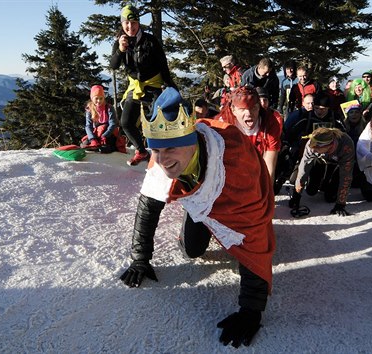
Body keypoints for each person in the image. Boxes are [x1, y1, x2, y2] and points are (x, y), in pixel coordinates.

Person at [119, 87, 275, 348]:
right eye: (155, 150)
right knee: (192, 250)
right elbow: (148, 205)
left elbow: (254, 230)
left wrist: (251, 309)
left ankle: (210, 216)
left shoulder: (235, 161)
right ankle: (201, 213)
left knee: (244, 249)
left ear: (190, 142)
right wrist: (140, 258)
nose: (162, 159)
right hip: (202, 195)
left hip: (244, 190)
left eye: (170, 148)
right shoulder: (160, 159)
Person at [109, 5, 176, 166]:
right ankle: (141, 151)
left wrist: (170, 86)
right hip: (135, 87)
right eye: (126, 23)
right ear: (122, 24)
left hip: (154, 85)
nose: (130, 27)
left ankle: (164, 155)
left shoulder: (150, 41)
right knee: (126, 123)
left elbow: (163, 65)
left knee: (157, 121)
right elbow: (113, 65)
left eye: (133, 23)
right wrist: (120, 50)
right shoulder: (120, 43)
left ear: (138, 23)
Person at [217, 86, 282, 182]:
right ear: (233, 109)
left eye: (253, 108)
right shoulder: (222, 125)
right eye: (242, 109)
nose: (248, 113)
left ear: (259, 107)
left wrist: (267, 194)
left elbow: (269, 167)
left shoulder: (270, 123)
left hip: (258, 164)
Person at [288, 127, 355, 216]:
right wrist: (296, 195)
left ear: (329, 145)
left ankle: (328, 183)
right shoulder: (311, 145)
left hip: (338, 165)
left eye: (316, 148)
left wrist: (341, 204)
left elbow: (346, 176)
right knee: (311, 191)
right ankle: (320, 180)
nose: (313, 149)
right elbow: (303, 169)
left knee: (330, 197)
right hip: (320, 161)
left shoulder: (346, 145)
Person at [80, 85, 125, 153]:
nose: (99, 101)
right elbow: (88, 126)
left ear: (104, 98)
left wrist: (105, 135)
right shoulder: (89, 110)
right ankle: (96, 145)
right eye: (96, 98)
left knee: (107, 145)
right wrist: (92, 139)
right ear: (92, 98)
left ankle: (107, 147)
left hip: (109, 133)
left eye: (101, 98)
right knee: (85, 144)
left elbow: (113, 124)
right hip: (97, 133)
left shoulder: (109, 108)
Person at [342, 104, 366, 187]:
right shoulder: (343, 128)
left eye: (356, 112)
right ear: (348, 115)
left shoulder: (366, 127)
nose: (354, 114)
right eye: (351, 112)